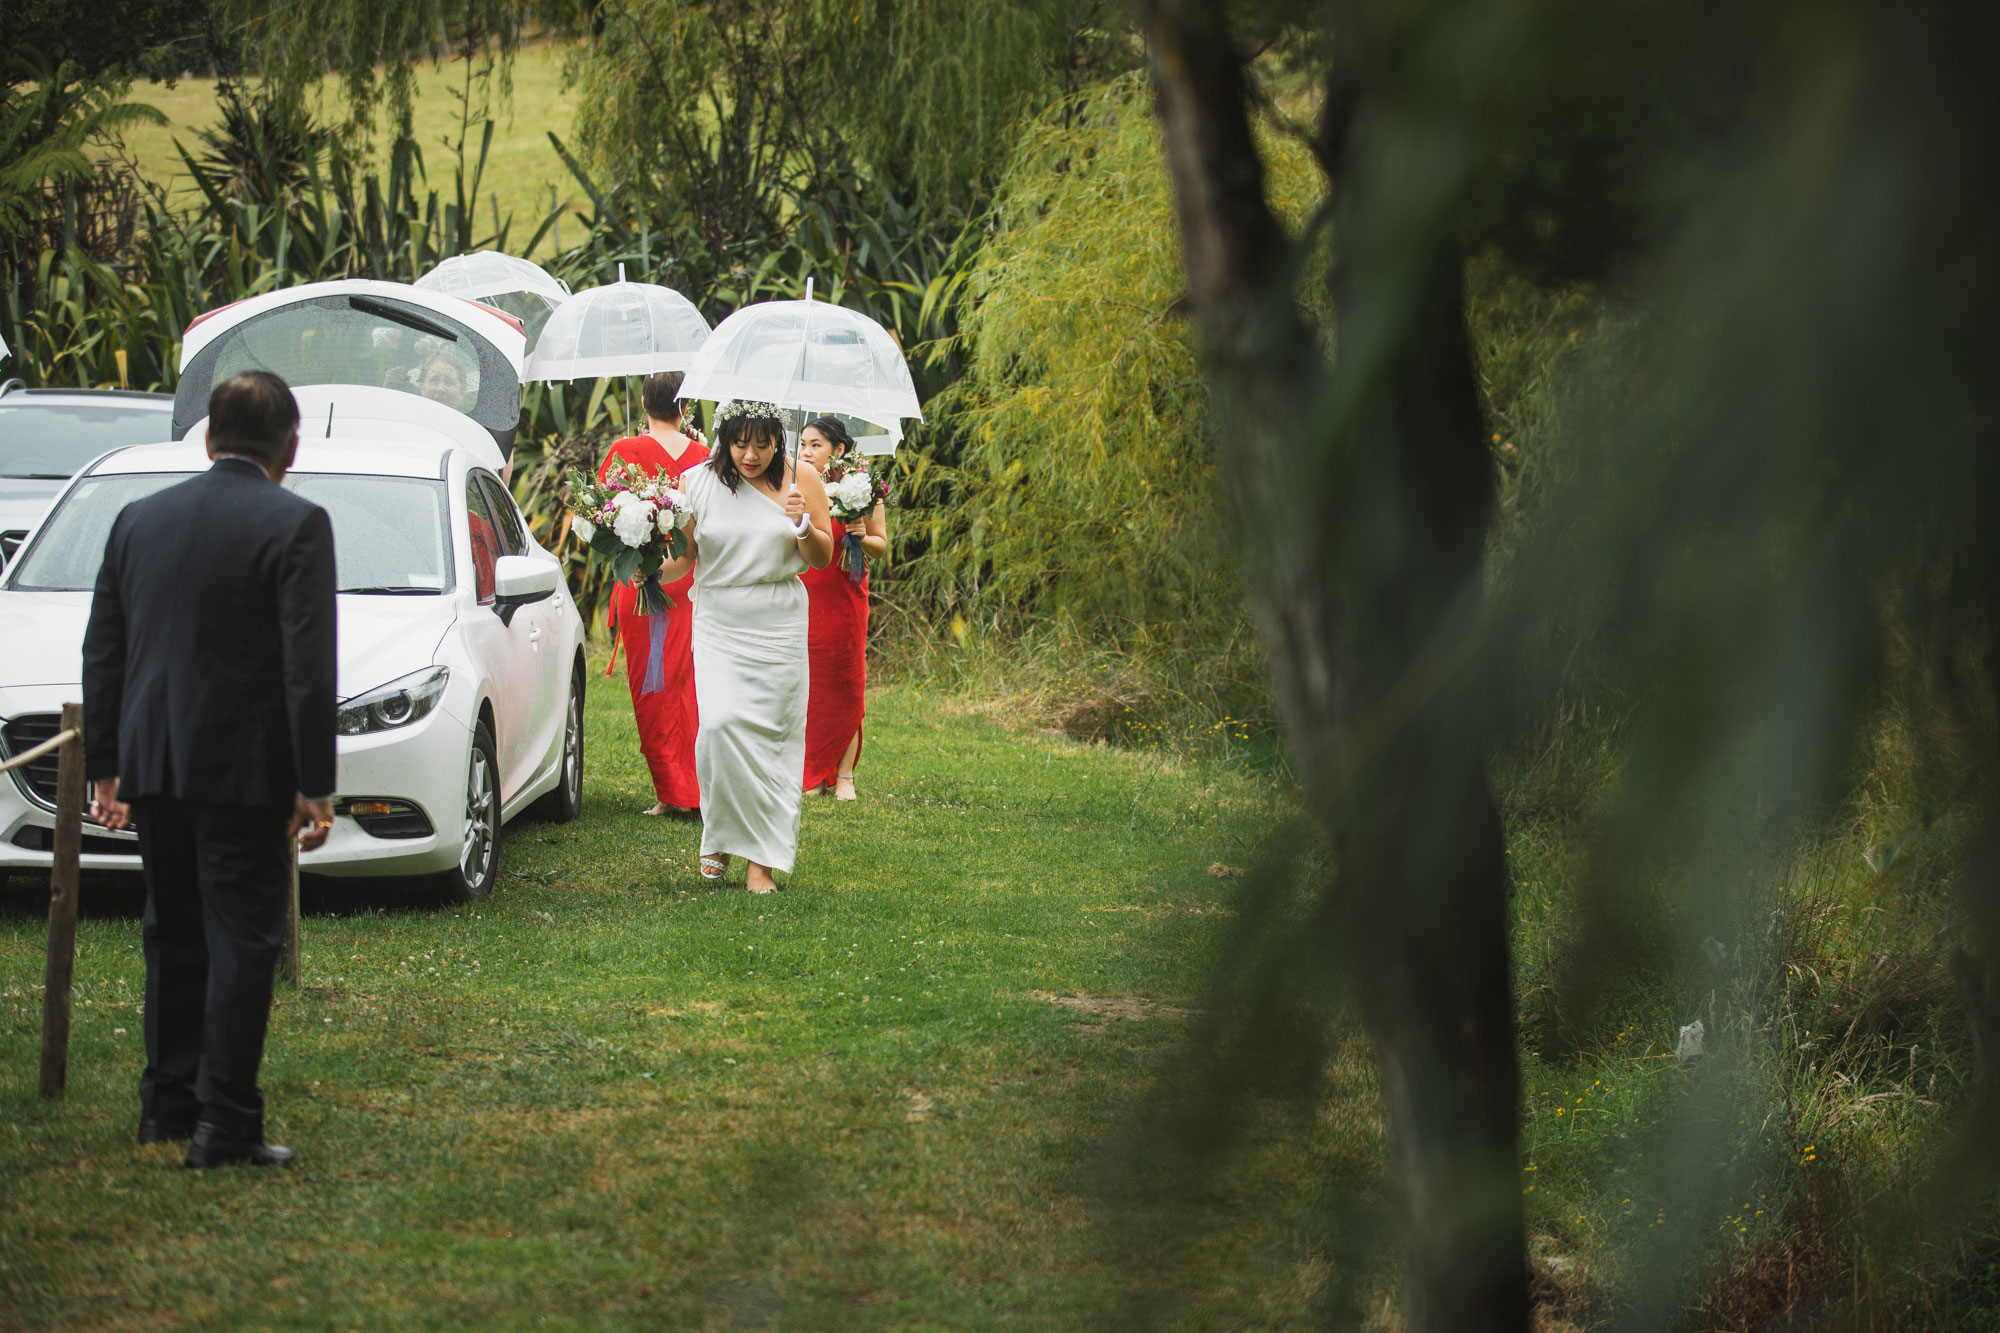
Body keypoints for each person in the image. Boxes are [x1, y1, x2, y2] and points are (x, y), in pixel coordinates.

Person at [82, 369, 337, 1170]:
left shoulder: (139, 518)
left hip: (155, 756)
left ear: (206, 438)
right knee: (243, 937)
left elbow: (106, 646)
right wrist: (314, 780)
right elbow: (307, 663)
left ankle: (166, 1104)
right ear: (290, 447)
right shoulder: (296, 523)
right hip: (243, 765)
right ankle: (225, 1120)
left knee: (172, 929)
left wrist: (106, 763)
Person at [661, 400, 833, 894]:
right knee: (718, 728)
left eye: (762, 443)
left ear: (778, 439)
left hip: (778, 620)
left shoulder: (803, 479)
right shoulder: (698, 483)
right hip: (719, 618)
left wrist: (802, 523)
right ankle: (719, 831)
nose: (750, 454)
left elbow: (821, 557)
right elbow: (685, 559)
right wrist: (647, 569)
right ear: (725, 439)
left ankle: (761, 863)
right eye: (740, 442)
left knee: (772, 741)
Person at [599, 372, 708, 817]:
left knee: (652, 685)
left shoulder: (624, 452)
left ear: (645, 401)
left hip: (641, 580)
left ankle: (671, 791)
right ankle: (693, 787)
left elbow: (602, 518)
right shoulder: (706, 457)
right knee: (690, 685)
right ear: (687, 405)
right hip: (692, 581)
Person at [796, 417, 887, 801]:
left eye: (815, 444)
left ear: (839, 450)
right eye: (802, 444)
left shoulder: (862, 488)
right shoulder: (794, 486)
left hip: (846, 595)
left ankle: (845, 773)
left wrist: (863, 536)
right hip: (806, 594)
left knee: (846, 680)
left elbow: (881, 546)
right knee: (808, 683)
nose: (806, 451)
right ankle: (812, 771)